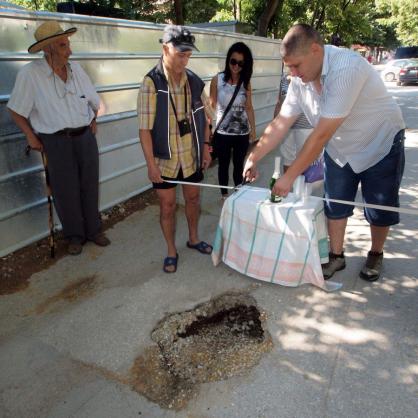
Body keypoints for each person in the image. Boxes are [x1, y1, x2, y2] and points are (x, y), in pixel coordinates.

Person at [244, 23, 405, 282]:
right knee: (335, 204)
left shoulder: (346, 68)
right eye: (289, 68)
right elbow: (281, 122)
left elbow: (320, 135)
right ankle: (336, 256)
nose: (293, 74)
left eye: (296, 66)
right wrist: (253, 156)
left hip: (380, 142)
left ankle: (376, 252)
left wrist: (289, 177)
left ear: (316, 50)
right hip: (341, 147)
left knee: (379, 206)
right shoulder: (300, 79)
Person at [7, 21, 110, 256]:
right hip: (55, 141)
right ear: (48, 49)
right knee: (65, 190)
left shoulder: (77, 70)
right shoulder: (30, 74)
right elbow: (15, 110)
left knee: (89, 185)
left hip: (84, 137)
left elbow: (94, 101)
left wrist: (93, 119)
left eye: (68, 44)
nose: (69, 50)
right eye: (63, 46)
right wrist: (30, 135)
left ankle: (93, 230)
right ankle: (75, 236)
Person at [137, 25, 213, 274]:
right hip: (164, 160)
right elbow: (144, 130)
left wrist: (207, 147)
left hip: (190, 156)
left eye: (188, 54)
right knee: (168, 206)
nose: (185, 59)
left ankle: (193, 238)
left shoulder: (193, 81)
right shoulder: (152, 83)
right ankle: (171, 250)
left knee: (193, 198)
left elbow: (206, 119)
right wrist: (150, 165)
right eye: (181, 54)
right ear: (165, 49)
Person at [209, 42, 256, 200]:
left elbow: (249, 107)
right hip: (222, 133)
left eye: (240, 63)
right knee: (223, 165)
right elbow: (211, 106)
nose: (236, 66)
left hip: (242, 133)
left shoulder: (246, 83)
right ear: (228, 60)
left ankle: (238, 196)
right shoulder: (218, 80)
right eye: (233, 61)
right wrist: (208, 129)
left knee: (238, 167)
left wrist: (253, 131)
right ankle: (224, 196)